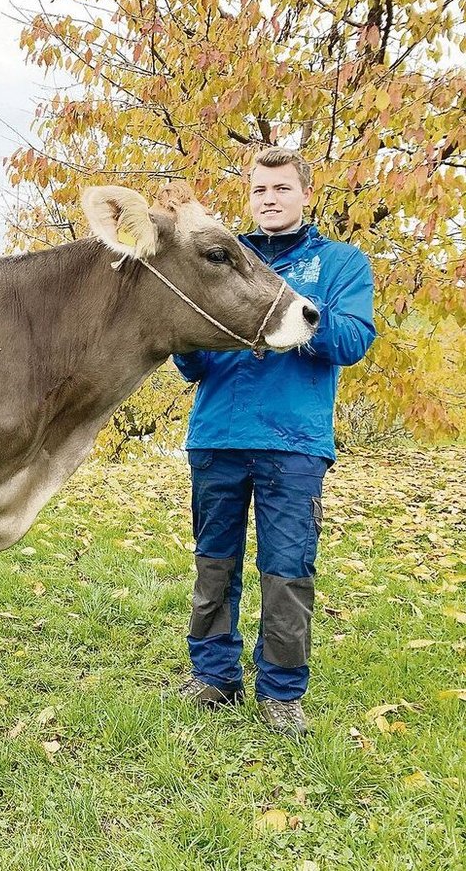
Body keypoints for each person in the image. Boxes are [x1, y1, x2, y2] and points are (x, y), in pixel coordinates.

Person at [173, 147, 376, 735]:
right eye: (261, 188)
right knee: (215, 561)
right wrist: (181, 337)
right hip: (218, 435)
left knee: (287, 569)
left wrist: (290, 315)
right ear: (250, 194)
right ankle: (213, 677)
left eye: (282, 188)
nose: (270, 198)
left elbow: (353, 340)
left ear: (305, 194)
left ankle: (282, 692)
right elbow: (195, 365)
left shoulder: (340, 263)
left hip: (295, 442)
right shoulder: (218, 259)